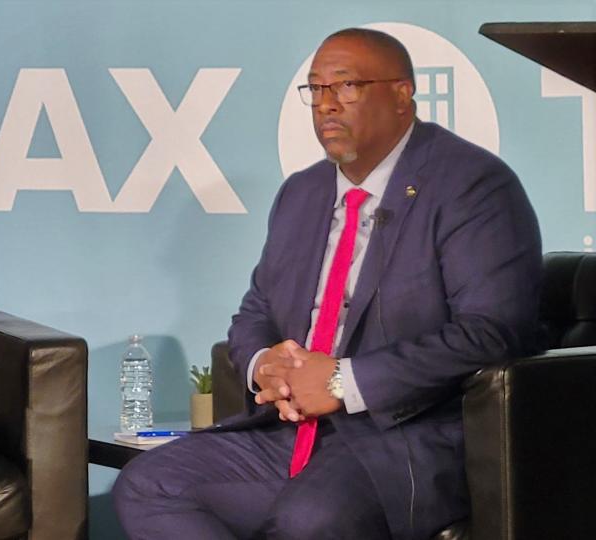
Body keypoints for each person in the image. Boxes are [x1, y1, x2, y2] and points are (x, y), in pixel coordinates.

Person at [114, 28, 542, 539]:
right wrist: (263, 365)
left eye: (345, 87)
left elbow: (491, 332)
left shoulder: (472, 185)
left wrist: (342, 381)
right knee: (151, 484)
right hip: (292, 430)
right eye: (315, 90)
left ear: (402, 95)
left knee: (307, 522)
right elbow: (255, 311)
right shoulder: (302, 192)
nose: (325, 105)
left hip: (402, 435)